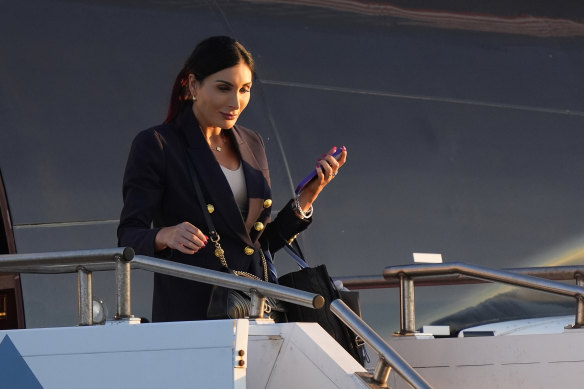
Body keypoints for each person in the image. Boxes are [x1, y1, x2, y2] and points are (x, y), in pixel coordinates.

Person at [117, 36, 347, 322]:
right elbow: (128, 236)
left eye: (245, 89)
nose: (235, 102)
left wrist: (307, 197)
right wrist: (165, 235)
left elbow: (255, 245)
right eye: (223, 88)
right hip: (194, 314)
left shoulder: (252, 142)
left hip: (254, 310)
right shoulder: (158, 144)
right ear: (193, 85)